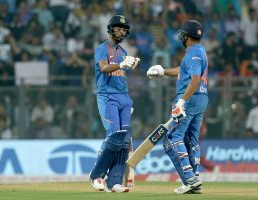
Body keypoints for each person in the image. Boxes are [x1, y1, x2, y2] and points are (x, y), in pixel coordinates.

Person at [147, 20, 208, 194]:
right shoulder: (199, 51)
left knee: (175, 138)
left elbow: (195, 79)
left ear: (187, 37)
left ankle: (189, 178)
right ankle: (195, 181)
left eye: (183, 35)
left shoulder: (193, 54)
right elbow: (183, 72)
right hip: (201, 99)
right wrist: (162, 71)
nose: (181, 38)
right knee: (192, 140)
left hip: (190, 99)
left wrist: (182, 101)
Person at [89, 15, 139, 193]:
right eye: (119, 28)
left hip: (124, 97)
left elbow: (121, 75)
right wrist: (121, 64)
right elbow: (103, 67)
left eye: (125, 29)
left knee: (124, 141)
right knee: (115, 136)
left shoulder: (123, 52)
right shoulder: (102, 49)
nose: (122, 31)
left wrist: (128, 63)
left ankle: (115, 181)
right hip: (107, 96)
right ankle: (96, 175)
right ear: (110, 29)